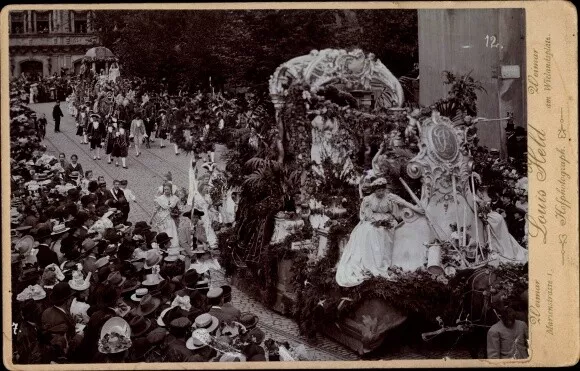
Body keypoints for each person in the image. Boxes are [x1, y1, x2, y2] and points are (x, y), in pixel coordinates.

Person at [335, 178, 424, 287]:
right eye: (378, 190)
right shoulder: (368, 199)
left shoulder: (390, 197)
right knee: (369, 230)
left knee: (384, 231)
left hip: (388, 219)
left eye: (382, 190)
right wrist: (375, 221)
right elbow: (366, 214)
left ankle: (383, 262)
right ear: (374, 190)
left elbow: (399, 207)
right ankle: (370, 262)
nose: (380, 193)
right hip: (373, 220)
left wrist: (415, 211)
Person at [151, 183, 180, 248]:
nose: (166, 191)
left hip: (171, 219)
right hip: (163, 219)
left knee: (172, 233)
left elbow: (179, 208)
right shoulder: (160, 199)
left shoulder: (175, 198)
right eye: (165, 189)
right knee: (164, 233)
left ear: (171, 189)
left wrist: (177, 213)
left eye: (168, 189)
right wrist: (151, 218)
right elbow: (156, 209)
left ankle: (173, 247)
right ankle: (164, 247)